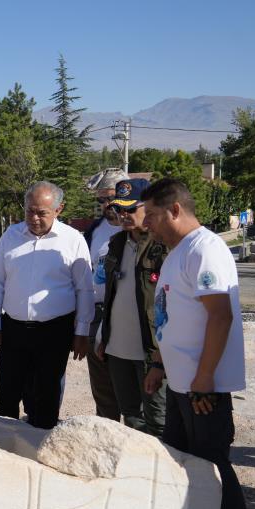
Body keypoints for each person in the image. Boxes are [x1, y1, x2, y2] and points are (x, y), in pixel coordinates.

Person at [141, 178, 254, 509]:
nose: (146, 224)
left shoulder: (205, 249)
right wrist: (159, 363)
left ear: (175, 210)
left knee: (211, 463)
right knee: (184, 459)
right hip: (180, 380)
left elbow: (219, 316)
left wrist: (204, 378)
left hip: (203, 385)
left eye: (152, 215)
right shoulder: (175, 252)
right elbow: (170, 316)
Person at [0, 181, 93, 429]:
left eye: (41, 213)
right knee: (7, 395)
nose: (33, 218)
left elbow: (84, 289)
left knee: (45, 397)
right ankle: (4, 450)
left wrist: (82, 332)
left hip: (54, 331)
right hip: (14, 329)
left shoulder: (73, 240)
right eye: (29, 211)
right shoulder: (10, 237)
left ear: (59, 209)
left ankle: (38, 452)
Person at [95, 178, 167, 436]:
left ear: (148, 207)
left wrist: (161, 355)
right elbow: (111, 295)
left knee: (158, 421)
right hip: (118, 350)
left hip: (150, 352)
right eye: (119, 209)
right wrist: (104, 336)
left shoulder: (163, 247)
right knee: (131, 417)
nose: (123, 215)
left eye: (130, 209)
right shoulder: (115, 244)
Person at [84, 168, 128, 422]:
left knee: (132, 392)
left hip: (127, 317)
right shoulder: (95, 230)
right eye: (101, 201)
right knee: (103, 392)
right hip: (97, 315)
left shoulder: (138, 228)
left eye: (111, 198)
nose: (107, 205)